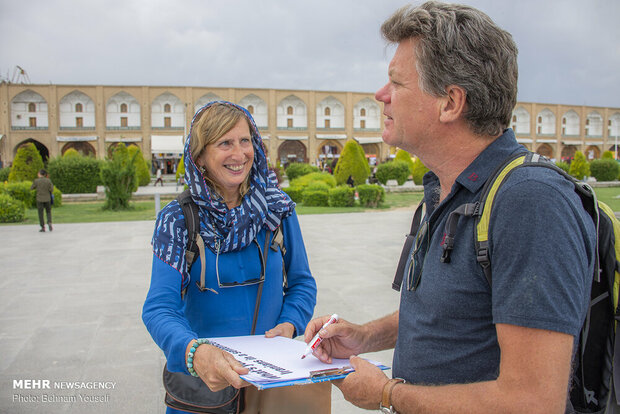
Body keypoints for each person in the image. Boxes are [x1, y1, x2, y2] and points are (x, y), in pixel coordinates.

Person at [304, 2, 596, 413]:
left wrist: (388, 394)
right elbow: (451, 311)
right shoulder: (450, 190)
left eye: (397, 83)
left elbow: (532, 401)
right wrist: (366, 336)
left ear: (450, 103)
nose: (380, 95)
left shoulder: (530, 202)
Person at [142, 101, 329, 414]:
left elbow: (301, 283)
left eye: (245, 141)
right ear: (199, 155)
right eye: (225, 143)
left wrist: (289, 323)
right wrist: (193, 353)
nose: (239, 154)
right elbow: (159, 307)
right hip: (203, 390)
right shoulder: (178, 219)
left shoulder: (276, 210)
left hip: (271, 384)